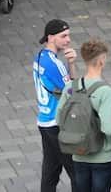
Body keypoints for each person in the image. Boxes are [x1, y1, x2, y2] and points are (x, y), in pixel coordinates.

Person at [59, 39, 111, 192]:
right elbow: (109, 128)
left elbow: (59, 118)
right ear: (102, 61)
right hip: (103, 157)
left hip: (78, 155)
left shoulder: (70, 88)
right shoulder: (105, 91)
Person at [35, 19, 77, 191]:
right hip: (56, 124)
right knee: (77, 172)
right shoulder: (56, 65)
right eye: (64, 36)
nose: (68, 40)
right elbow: (72, 93)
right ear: (51, 37)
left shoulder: (39, 57)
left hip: (44, 121)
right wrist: (72, 64)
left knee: (51, 170)